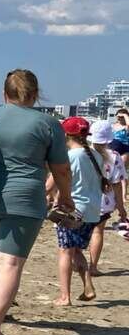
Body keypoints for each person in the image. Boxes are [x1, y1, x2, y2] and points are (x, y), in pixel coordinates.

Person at [0, 70, 73, 335]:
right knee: (11, 261)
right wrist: (66, 196)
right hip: (25, 199)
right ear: (36, 94)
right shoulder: (48, 124)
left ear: (4, 93)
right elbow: (61, 169)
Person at [47, 117, 105, 305]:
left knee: (65, 251)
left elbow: (50, 184)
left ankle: (65, 296)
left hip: (72, 210)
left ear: (66, 134)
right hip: (92, 211)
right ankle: (87, 286)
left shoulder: (70, 156)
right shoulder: (95, 155)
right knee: (76, 249)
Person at [88, 120, 127, 276]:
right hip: (103, 202)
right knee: (97, 232)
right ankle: (93, 267)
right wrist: (121, 208)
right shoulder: (114, 156)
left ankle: (76, 261)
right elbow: (117, 183)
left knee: (77, 232)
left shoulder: (81, 153)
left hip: (81, 199)